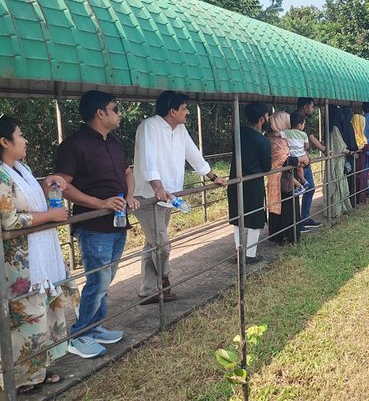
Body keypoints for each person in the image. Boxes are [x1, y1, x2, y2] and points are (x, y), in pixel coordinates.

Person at [0, 115, 77, 393]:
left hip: (39, 255)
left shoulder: (21, 169)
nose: (25, 140)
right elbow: (7, 220)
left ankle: (39, 369)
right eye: (20, 134)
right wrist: (51, 214)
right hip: (20, 265)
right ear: (4, 142)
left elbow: (31, 202)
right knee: (23, 322)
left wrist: (46, 183)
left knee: (42, 315)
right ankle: (18, 377)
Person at [56, 90, 134, 358]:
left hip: (118, 223)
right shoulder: (74, 145)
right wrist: (99, 203)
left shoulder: (113, 142)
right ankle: (78, 335)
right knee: (98, 280)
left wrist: (130, 194)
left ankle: (95, 326)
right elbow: (62, 186)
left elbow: (127, 172)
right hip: (94, 226)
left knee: (106, 279)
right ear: (100, 113)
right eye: (115, 108)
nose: (119, 113)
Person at [132, 91, 227, 305]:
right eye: (184, 108)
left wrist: (213, 176)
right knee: (162, 245)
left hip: (168, 196)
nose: (187, 112)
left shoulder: (180, 129)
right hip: (148, 197)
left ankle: (148, 290)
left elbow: (192, 154)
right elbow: (148, 159)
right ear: (172, 110)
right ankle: (164, 280)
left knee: (153, 243)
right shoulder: (150, 126)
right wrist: (157, 187)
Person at [227, 103, 272, 263]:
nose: (268, 119)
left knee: (238, 217)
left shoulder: (237, 134)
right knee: (255, 219)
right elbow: (267, 167)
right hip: (253, 184)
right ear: (261, 118)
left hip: (235, 181)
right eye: (267, 116)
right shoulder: (263, 141)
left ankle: (239, 252)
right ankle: (250, 254)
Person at [267, 112, 307, 244]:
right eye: (286, 120)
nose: (289, 123)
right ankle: (288, 237)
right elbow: (285, 160)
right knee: (288, 207)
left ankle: (279, 236)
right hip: (283, 177)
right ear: (280, 122)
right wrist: (301, 159)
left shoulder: (274, 137)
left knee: (282, 206)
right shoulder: (278, 141)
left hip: (280, 176)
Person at [293, 98, 323, 230]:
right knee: (303, 190)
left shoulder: (298, 119)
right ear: (305, 107)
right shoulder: (298, 120)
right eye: (311, 107)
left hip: (302, 161)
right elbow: (310, 138)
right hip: (299, 162)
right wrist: (323, 149)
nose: (312, 110)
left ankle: (303, 218)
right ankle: (299, 220)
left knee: (308, 188)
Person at [327, 105, 352, 217]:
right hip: (338, 161)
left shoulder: (328, 127)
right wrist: (348, 151)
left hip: (332, 159)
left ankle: (332, 209)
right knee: (339, 184)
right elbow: (342, 147)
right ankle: (338, 210)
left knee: (332, 182)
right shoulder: (336, 128)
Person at [280, 113, 312, 194]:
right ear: (299, 125)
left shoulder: (286, 132)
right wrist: (302, 150)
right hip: (303, 156)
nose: (304, 125)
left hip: (293, 157)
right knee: (300, 169)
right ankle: (304, 181)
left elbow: (278, 135)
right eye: (304, 124)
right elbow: (307, 146)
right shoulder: (304, 134)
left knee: (287, 173)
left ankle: (299, 186)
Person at [351, 113, 369, 205]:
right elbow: (358, 146)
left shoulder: (360, 134)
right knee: (358, 177)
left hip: (363, 159)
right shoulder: (353, 134)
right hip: (357, 160)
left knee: (363, 176)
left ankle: (362, 198)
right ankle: (358, 199)